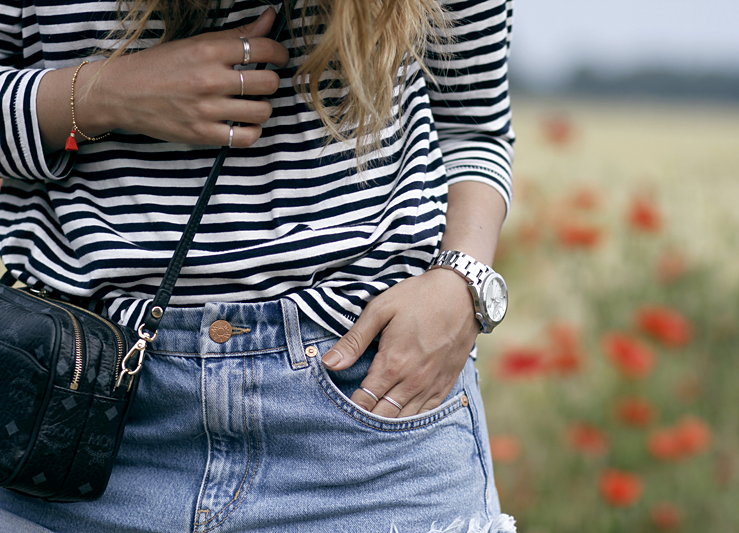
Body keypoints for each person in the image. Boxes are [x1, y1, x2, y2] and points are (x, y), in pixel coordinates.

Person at [0, 0, 515, 530]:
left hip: (371, 399)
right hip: (70, 403)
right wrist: (101, 95)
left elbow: (473, 128)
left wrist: (462, 280)